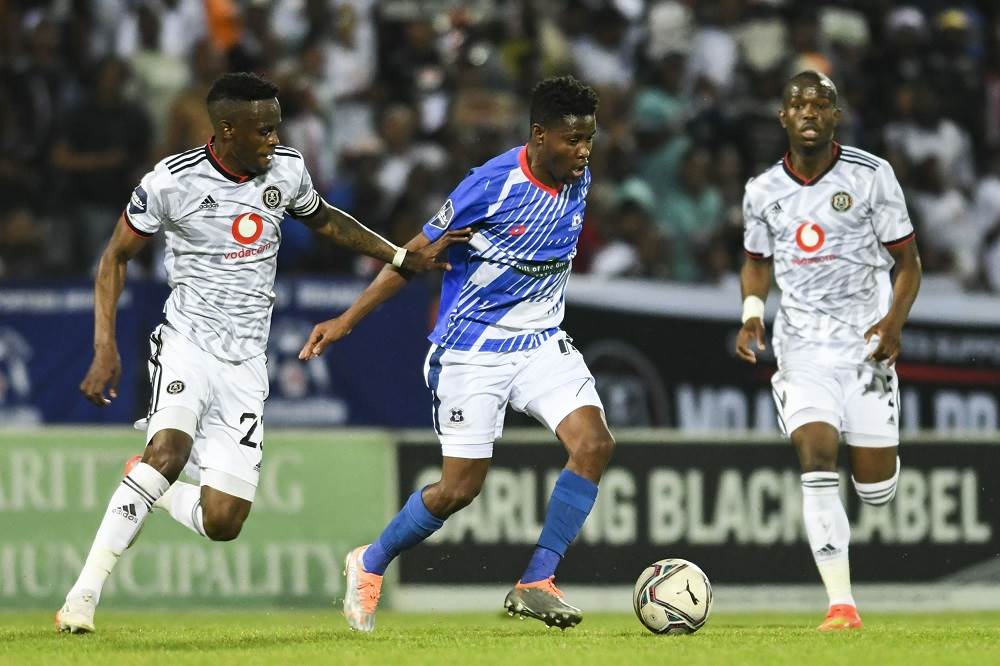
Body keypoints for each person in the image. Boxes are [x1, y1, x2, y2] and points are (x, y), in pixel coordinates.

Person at [55, 72, 469, 634]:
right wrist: (105, 345)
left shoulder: (287, 170)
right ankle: (83, 597)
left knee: (224, 520)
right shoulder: (170, 182)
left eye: (277, 126)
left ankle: (147, 478)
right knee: (171, 449)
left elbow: (325, 221)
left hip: (247, 362)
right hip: (187, 342)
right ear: (227, 129)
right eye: (264, 129)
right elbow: (114, 257)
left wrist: (397, 255)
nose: (275, 138)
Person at [298, 75, 614, 632]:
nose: (584, 151)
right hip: (473, 349)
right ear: (538, 136)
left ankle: (536, 582)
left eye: (589, 138)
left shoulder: (577, 175)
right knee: (459, 489)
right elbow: (412, 257)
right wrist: (347, 320)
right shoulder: (489, 185)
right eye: (572, 140)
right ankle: (369, 563)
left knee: (593, 444)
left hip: (541, 339)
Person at [735, 71, 922, 632]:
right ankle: (842, 605)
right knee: (815, 457)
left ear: (836, 116)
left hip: (868, 350)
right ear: (783, 118)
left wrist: (892, 323)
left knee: (876, 491)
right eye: (798, 103)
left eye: (821, 103)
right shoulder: (762, 190)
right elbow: (757, 260)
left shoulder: (872, 176)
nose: (810, 111)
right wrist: (750, 317)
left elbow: (909, 264)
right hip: (802, 350)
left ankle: (880, 453)